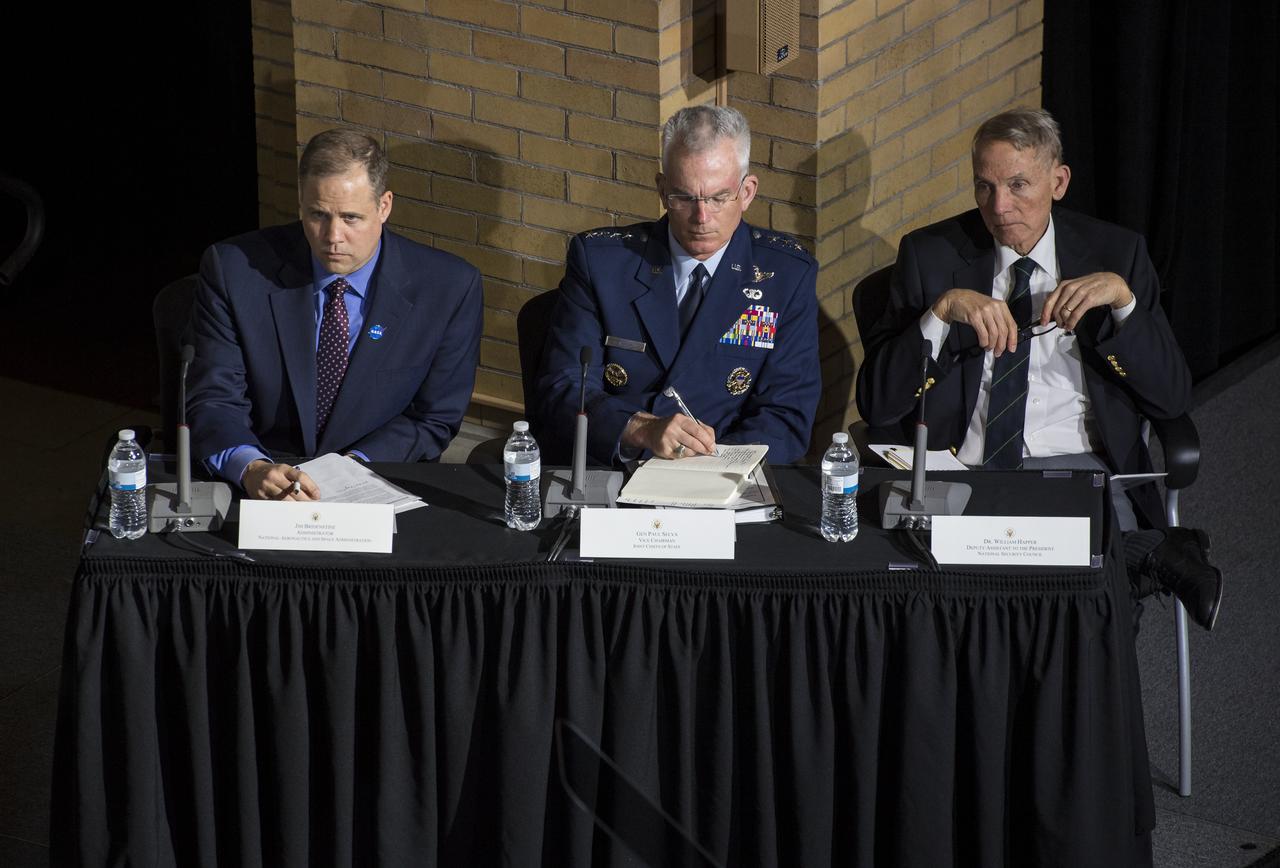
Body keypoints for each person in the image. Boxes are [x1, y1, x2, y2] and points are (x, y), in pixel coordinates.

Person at [855, 106, 1222, 629]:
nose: (999, 207)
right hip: (966, 469)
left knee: (1090, 613)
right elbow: (877, 402)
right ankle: (1146, 552)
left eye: (1018, 185)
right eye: (984, 187)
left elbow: (1172, 399)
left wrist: (1123, 306)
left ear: (1059, 181)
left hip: (1077, 467)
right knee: (967, 611)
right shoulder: (930, 257)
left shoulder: (1117, 254)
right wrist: (938, 316)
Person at [187, 129, 482, 500]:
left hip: (377, 477)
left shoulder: (448, 287)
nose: (333, 236)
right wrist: (251, 466)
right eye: (318, 215)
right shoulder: (234, 270)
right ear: (300, 203)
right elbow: (215, 397)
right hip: (265, 474)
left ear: (385, 206)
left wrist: (349, 470)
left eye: (351, 218)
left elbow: (433, 417)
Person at [534, 105, 820, 466]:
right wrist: (640, 429)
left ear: (747, 192)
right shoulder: (601, 263)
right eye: (684, 198)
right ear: (661, 189)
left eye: (718, 198)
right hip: (616, 464)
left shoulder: (787, 276)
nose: (702, 217)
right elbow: (562, 387)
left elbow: (786, 415)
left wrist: (710, 469)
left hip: (724, 475)